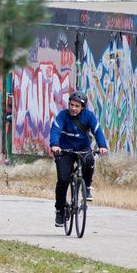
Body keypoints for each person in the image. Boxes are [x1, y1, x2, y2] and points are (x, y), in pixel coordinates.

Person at [49, 90, 108, 227]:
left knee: (90, 160)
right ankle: (60, 211)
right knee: (63, 180)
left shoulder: (89, 116)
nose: (73, 108)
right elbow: (55, 130)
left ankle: (86, 187)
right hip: (64, 150)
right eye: (71, 105)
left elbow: (97, 130)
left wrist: (102, 146)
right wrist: (55, 145)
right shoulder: (62, 116)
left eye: (77, 106)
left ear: (82, 107)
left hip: (82, 148)